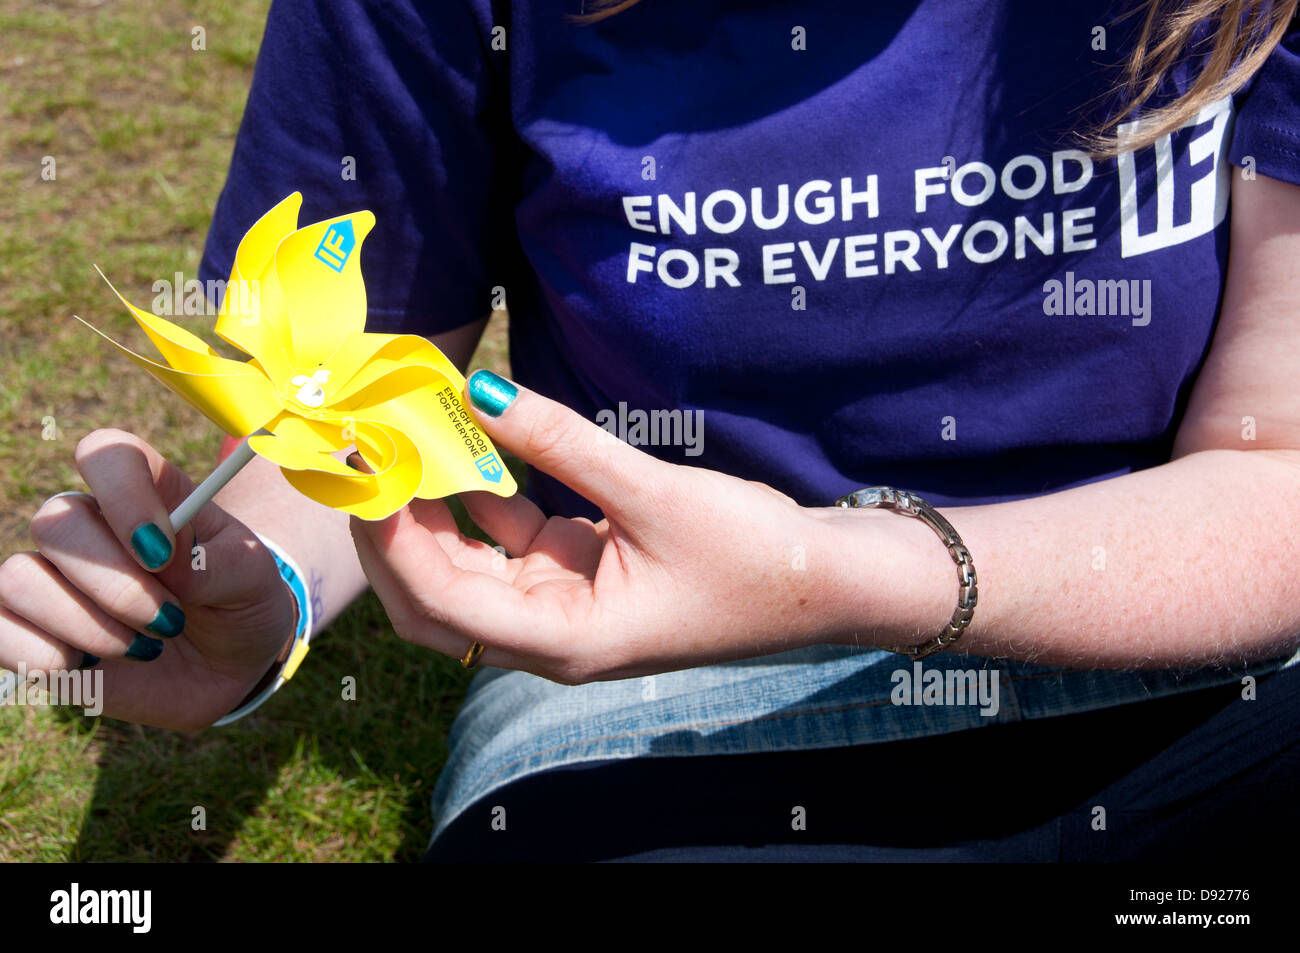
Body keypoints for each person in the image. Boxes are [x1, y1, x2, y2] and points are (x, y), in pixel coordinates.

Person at [3, 0, 1299, 861]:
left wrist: (825, 571)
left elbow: (1276, 470)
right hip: (655, 703)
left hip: (1186, 645)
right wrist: (260, 598)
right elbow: (347, 397)